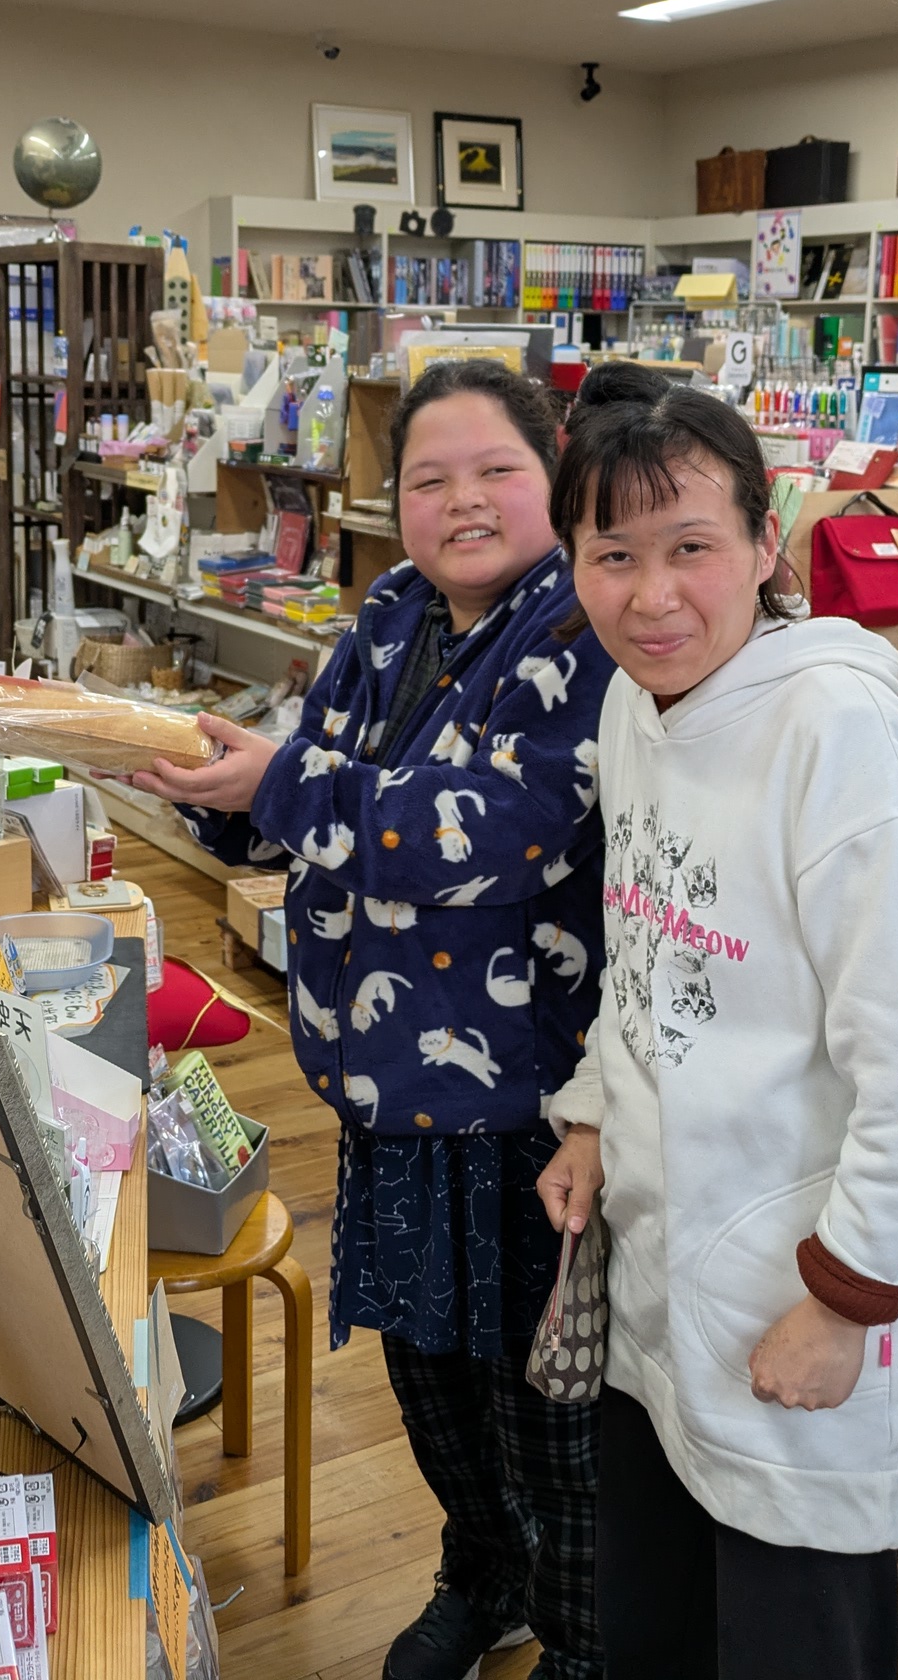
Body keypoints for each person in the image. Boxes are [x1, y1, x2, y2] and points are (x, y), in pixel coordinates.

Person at [136, 360, 613, 1680]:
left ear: (555, 474)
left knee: (543, 1400)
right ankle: (484, 1573)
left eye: (496, 471)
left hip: (528, 1096)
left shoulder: (584, 628)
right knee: (427, 1369)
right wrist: (211, 790)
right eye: (427, 478)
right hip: (387, 1085)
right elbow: (312, 781)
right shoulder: (392, 612)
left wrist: (283, 786)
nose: (463, 502)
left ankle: (582, 1642)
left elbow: (490, 833)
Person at [536, 387, 898, 1679]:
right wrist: (593, 1111)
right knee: (658, 1634)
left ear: (765, 545)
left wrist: (845, 1296)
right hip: (666, 1282)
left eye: (691, 547)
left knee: (791, 1641)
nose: (652, 597)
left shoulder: (837, 733)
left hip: (806, 1301)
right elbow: (648, 948)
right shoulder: (638, 704)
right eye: (612, 555)